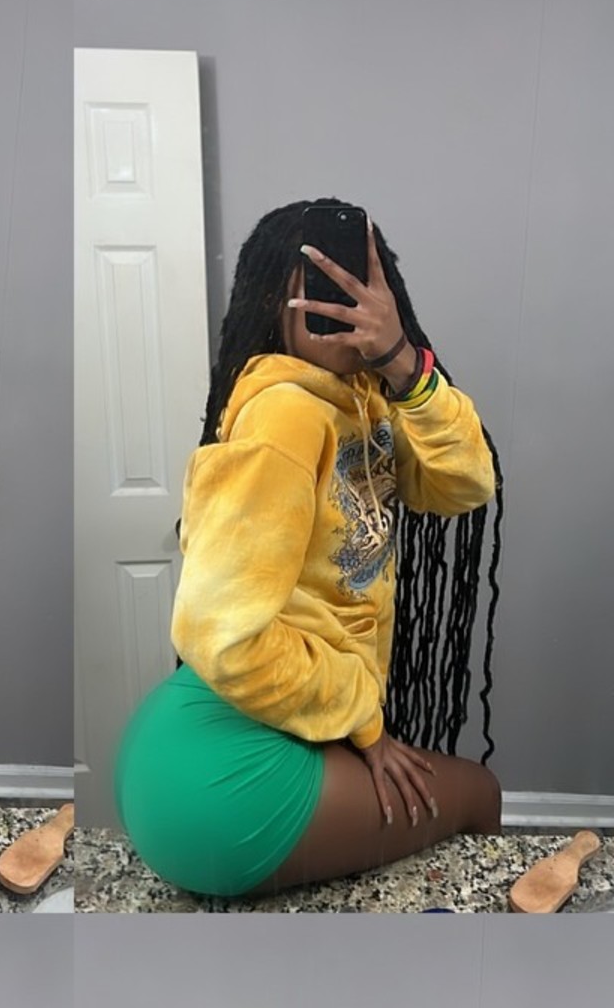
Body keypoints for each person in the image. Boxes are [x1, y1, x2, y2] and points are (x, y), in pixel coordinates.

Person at [115, 198, 504, 899]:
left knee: (462, 798)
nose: (342, 309)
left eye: (360, 288)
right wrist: (363, 719)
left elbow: (465, 484)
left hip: (243, 721)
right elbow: (222, 634)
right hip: (219, 777)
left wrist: (403, 364)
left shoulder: (367, 400)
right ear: (275, 300)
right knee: (480, 795)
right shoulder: (284, 415)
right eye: (320, 290)